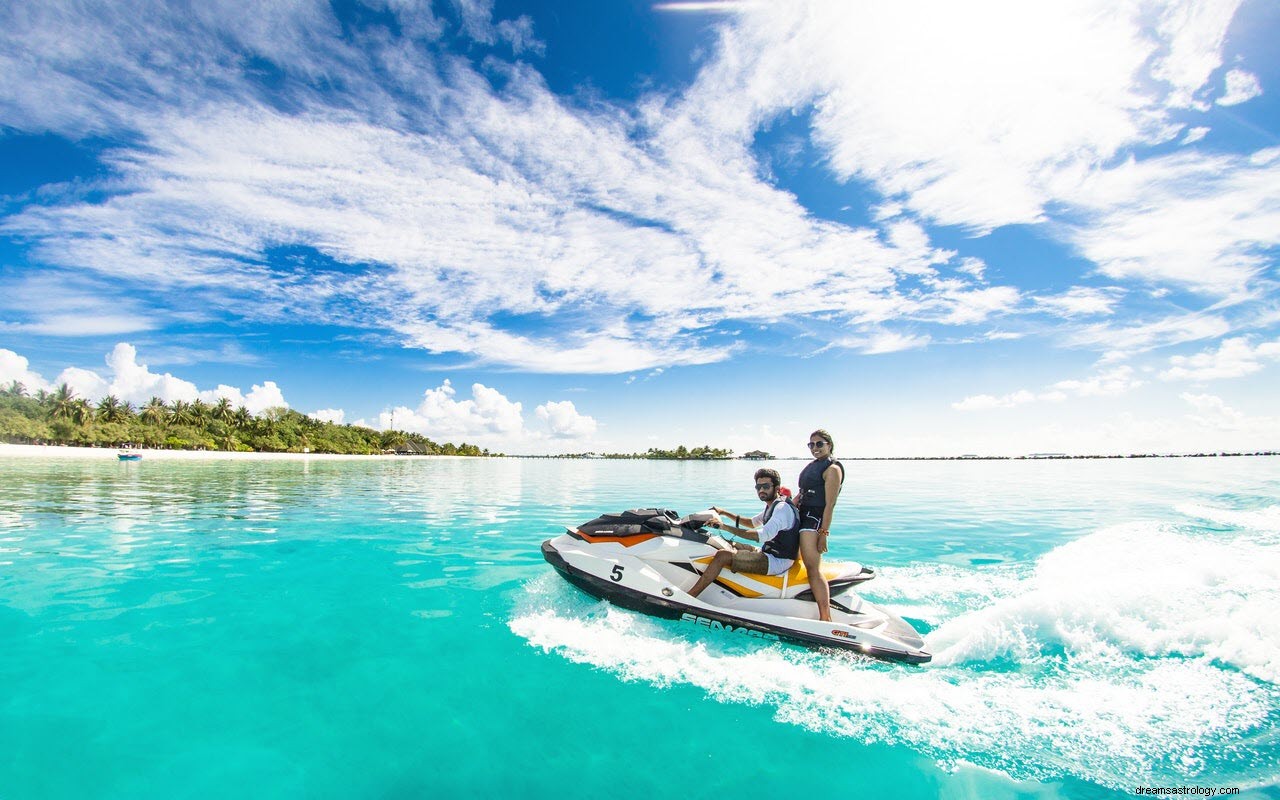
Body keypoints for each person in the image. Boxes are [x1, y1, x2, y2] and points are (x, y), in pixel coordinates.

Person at [687, 469, 800, 598]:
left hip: (777, 561)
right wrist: (724, 512)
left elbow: (760, 535)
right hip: (767, 552)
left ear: (777, 488)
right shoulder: (772, 505)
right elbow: (752, 523)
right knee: (723, 543)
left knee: (722, 555)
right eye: (758, 487)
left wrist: (724, 527)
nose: (761, 490)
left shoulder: (781, 509)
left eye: (766, 486)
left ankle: (691, 596)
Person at [796, 429, 843, 621]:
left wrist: (824, 532)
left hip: (813, 521)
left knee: (812, 569)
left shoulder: (832, 469)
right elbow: (802, 492)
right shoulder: (814, 465)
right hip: (801, 515)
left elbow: (830, 504)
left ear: (829, 445)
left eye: (819, 444)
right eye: (811, 444)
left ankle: (826, 617)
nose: (815, 448)